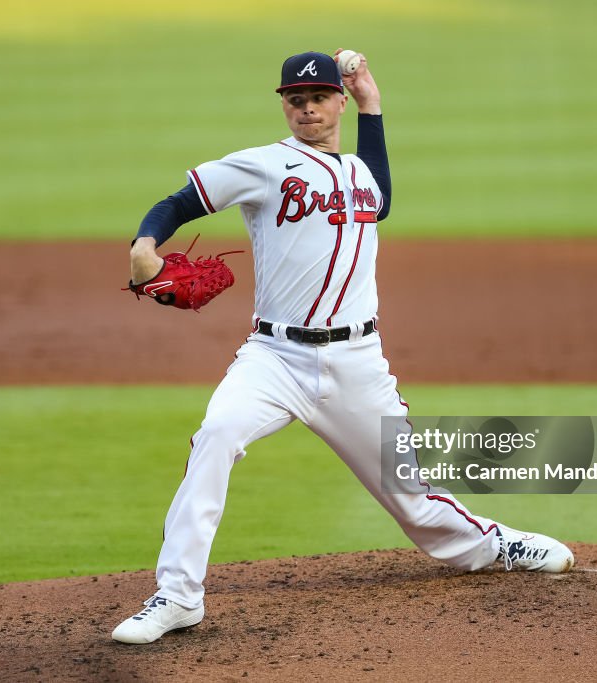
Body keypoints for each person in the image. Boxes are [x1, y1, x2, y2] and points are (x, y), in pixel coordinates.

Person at [112, 50, 573, 645]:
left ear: (336, 101)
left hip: (357, 365)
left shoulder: (358, 175)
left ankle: (491, 544)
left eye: (318, 98)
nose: (306, 109)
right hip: (274, 359)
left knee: (414, 499)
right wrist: (145, 243)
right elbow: (181, 201)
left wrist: (371, 104)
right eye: (295, 100)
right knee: (217, 434)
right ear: (283, 104)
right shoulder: (263, 165)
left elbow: (378, 198)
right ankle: (178, 596)